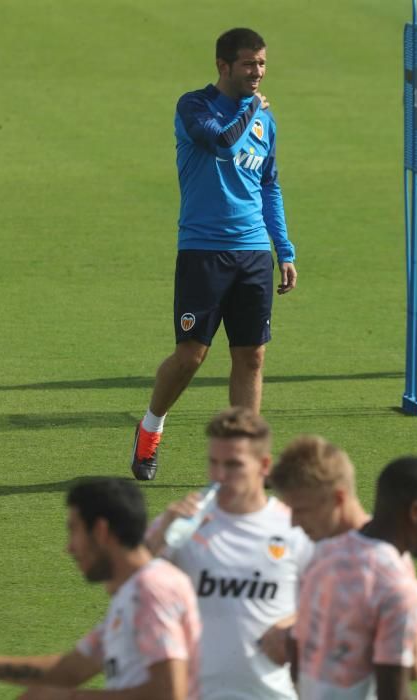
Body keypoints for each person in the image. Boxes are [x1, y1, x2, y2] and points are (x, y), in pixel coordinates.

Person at [131, 27, 297, 480]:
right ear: (223, 66)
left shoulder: (266, 121)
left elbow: (269, 186)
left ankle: (244, 458)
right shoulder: (194, 106)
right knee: (191, 355)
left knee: (252, 357)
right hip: (203, 251)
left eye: (262, 63)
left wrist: (283, 248)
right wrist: (251, 110)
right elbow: (221, 140)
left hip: (252, 253)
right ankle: (150, 430)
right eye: (248, 64)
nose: (258, 72)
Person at [146, 407, 315, 700]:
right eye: (213, 463)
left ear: (264, 466)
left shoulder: (295, 530)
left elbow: (332, 605)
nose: (220, 476)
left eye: (234, 465)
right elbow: (128, 592)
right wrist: (159, 538)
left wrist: (293, 625)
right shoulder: (182, 523)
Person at [0, 478, 200, 700]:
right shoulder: (131, 595)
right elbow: (70, 671)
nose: (69, 548)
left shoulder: (151, 591)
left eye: (74, 531)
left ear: (101, 531)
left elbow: (168, 693)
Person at [261, 436, 417, 681]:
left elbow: (412, 665)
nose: (293, 522)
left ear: (338, 498)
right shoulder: (318, 547)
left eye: (301, 510)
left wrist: (295, 635)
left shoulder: (387, 558)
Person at [294, 455, 417, 700]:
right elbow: (393, 693)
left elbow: (295, 649)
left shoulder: (323, 553)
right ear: (416, 511)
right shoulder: (397, 587)